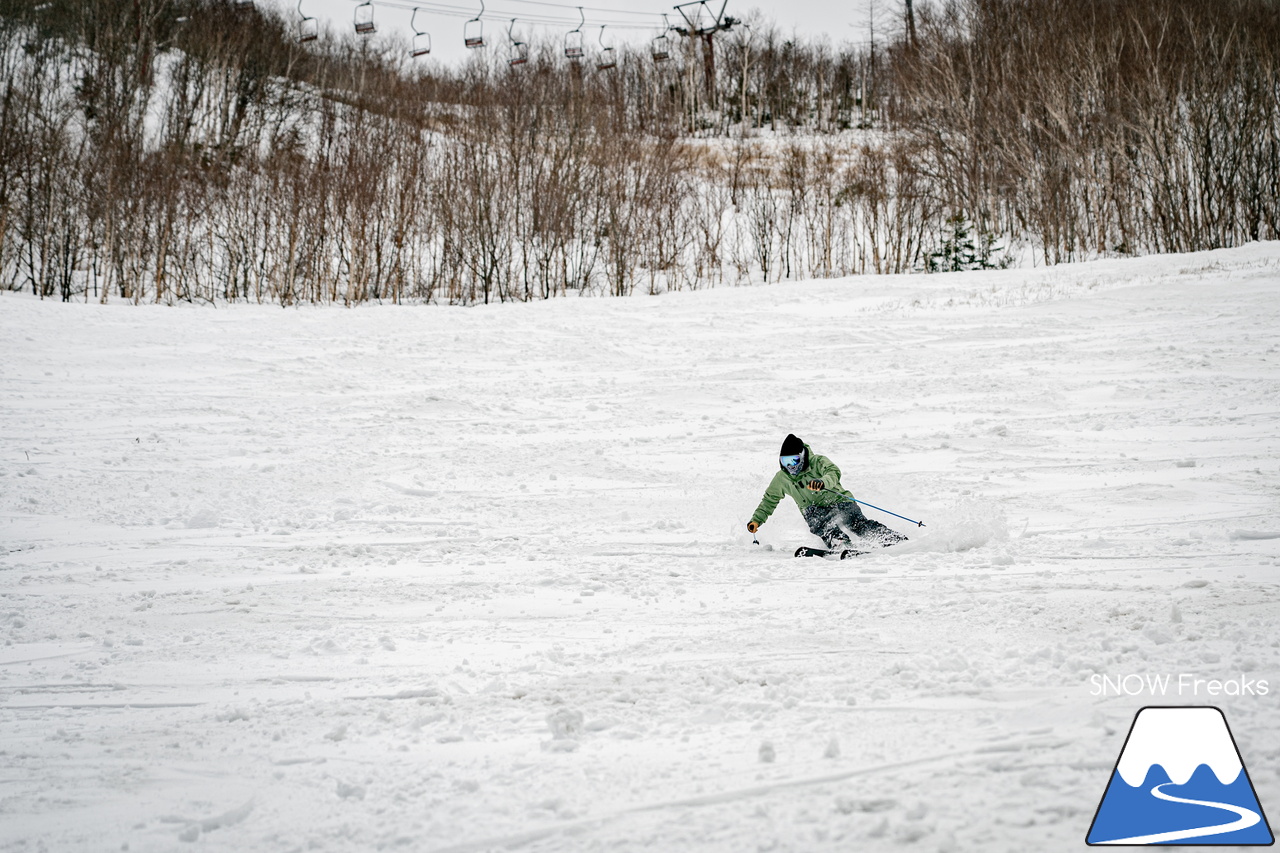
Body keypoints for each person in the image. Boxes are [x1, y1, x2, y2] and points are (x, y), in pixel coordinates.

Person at [747, 433, 906, 550]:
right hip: (815, 511)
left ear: (802, 456)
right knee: (815, 519)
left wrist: (822, 482)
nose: (791, 466)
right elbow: (769, 500)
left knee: (857, 524)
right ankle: (839, 542)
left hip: (840, 502)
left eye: (794, 460)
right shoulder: (782, 478)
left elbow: (833, 472)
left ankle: (888, 537)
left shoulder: (818, 462)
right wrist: (757, 520)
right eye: (785, 462)